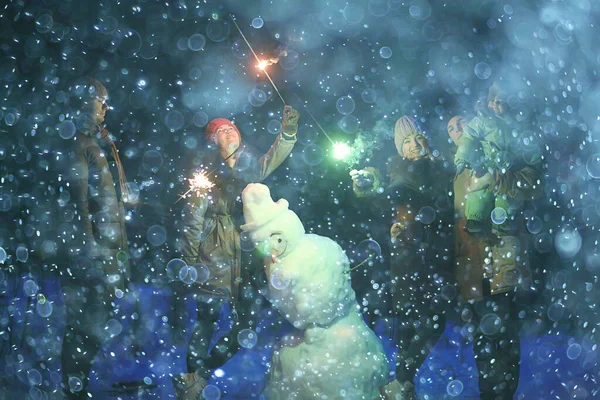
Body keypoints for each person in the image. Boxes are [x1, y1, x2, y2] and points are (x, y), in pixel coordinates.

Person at [173, 105, 299, 399]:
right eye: (221, 130)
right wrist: (190, 263)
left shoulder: (249, 167)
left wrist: (288, 132)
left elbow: (271, 159)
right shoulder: (204, 174)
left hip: (245, 259)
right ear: (212, 141)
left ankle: (197, 378)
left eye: (231, 128)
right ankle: (191, 381)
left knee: (247, 328)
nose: (228, 131)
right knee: (206, 322)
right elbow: (192, 220)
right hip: (212, 257)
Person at [350, 116, 455, 400]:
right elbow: (385, 200)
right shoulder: (400, 170)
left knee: (433, 320)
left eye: (418, 137)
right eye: (407, 141)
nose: (415, 144)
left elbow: (446, 204)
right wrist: (368, 184)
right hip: (409, 257)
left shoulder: (442, 168)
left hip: (438, 256)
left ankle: (403, 383)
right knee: (411, 327)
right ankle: (405, 387)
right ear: (400, 148)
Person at [448, 113, 540, 400]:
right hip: (472, 269)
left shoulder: (505, 154)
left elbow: (531, 185)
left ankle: (503, 394)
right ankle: (490, 394)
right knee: (482, 343)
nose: (458, 128)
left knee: (505, 340)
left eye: (461, 122)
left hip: (502, 264)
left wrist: (495, 177)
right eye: (451, 128)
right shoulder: (454, 172)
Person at [61, 77, 131, 398]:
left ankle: (77, 384)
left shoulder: (99, 144)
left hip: (107, 248)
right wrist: (89, 248)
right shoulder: (78, 143)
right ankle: (73, 388)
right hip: (92, 253)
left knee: (97, 323)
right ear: (83, 102)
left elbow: (109, 200)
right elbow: (78, 202)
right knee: (85, 324)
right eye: (99, 100)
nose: (105, 107)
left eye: (105, 101)